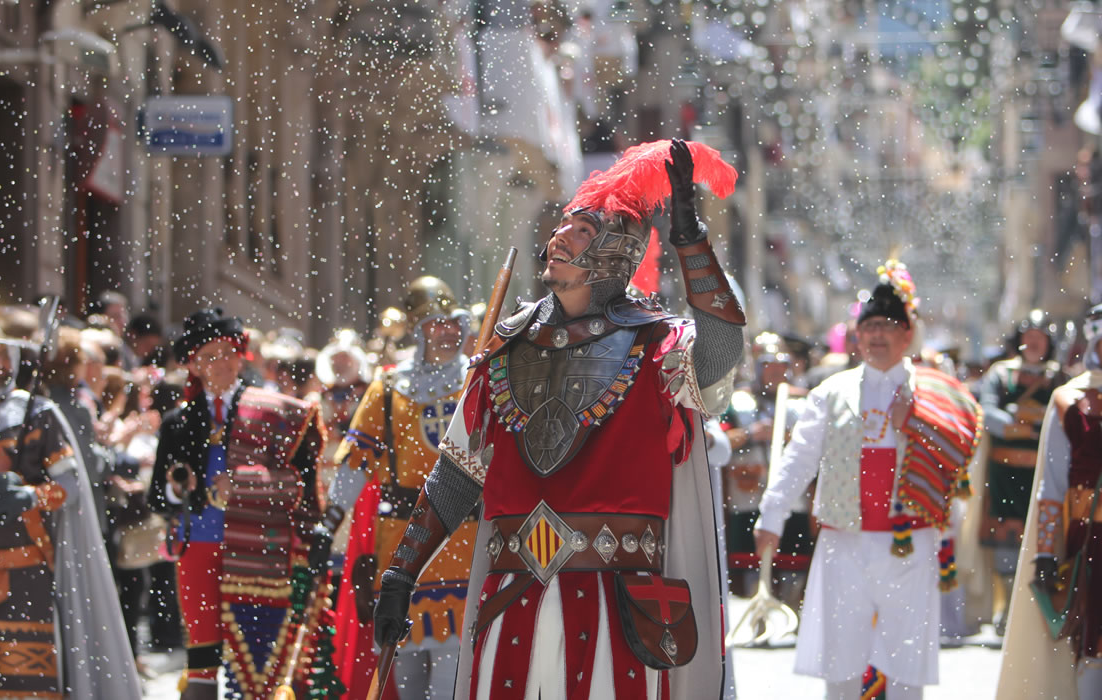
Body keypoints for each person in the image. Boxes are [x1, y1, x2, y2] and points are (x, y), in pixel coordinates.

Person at [372, 139, 746, 699]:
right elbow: (456, 474)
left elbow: (720, 352)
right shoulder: (504, 346)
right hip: (510, 598)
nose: (557, 237)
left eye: (580, 231)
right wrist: (402, 572)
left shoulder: (657, 344)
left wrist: (690, 240)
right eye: (562, 226)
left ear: (616, 252)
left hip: (618, 605)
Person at [754, 261, 981, 700]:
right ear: (857, 336)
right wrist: (772, 515)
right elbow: (798, 458)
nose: (878, 335)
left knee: (904, 658)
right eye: (870, 326)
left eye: (888, 326)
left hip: (910, 542)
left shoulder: (935, 392)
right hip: (845, 541)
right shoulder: (830, 392)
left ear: (907, 334)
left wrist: (913, 423)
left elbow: (955, 461)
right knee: (842, 656)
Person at [148, 308, 327, 700]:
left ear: (241, 355)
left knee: (260, 661)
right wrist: (181, 490)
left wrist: (245, 484)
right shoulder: (177, 422)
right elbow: (157, 497)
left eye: (226, 352)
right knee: (201, 656)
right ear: (193, 365)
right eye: (208, 356)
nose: (220, 363)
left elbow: (302, 485)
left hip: (259, 550)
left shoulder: (276, 412)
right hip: (197, 546)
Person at [329, 277, 475, 699]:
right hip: (402, 543)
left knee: (449, 674)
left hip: (460, 541)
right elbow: (356, 459)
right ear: (418, 328)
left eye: (452, 322)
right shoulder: (389, 386)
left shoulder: (476, 380)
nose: (447, 330)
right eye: (435, 322)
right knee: (404, 669)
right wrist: (330, 521)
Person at [0, 336, 141, 698]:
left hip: (28, 566)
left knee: (29, 676)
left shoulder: (38, 413)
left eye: (3, 355)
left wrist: (31, 495)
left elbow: (71, 482)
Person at [997, 303, 1102, 700]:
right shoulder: (1069, 399)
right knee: (1093, 642)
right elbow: (1053, 483)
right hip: (1092, 537)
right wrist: (1044, 552)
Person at [975, 309, 1066, 632]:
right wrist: (1013, 423)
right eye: (1028, 338)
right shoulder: (1002, 375)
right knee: (1005, 537)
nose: (1033, 344)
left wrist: (1035, 424)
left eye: (1039, 339)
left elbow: (1064, 417)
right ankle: (1007, 606)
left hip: (1043, 472)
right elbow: (986, 412)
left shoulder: (1059, 378)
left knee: (1043, 534)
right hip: (1005, 473)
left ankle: (1031, 611)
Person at [721, 332, 812, 608]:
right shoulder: (737, 403)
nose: (775, 373)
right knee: (749, 563)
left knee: (792, 562)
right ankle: (755, 612)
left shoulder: (803, 404)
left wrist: (786, 437)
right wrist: (750, 434)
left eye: (780, 366)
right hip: (747, 495)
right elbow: (718, 441)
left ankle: (786, 610)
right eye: (768, 366)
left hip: (793, 499)